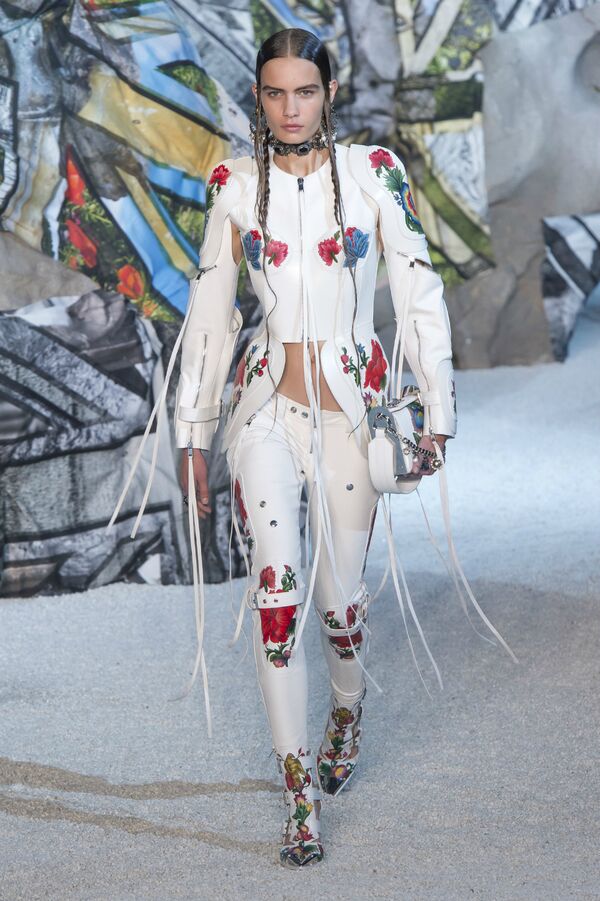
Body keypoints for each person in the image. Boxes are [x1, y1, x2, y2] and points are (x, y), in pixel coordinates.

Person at [109, 27, 512, 868]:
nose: (290, 108)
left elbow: (419, 292)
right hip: (265, 409)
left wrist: (439, 411)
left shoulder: (373, 174)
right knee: (278, 594)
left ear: (328, 92)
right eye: (274, 92)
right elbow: (212, 314)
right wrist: (192, 431)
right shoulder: (233, 186)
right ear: (257, 97)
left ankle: (348, 707)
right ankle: (298, 793)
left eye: (305, 91)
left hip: (350, 418)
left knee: (339, 607)